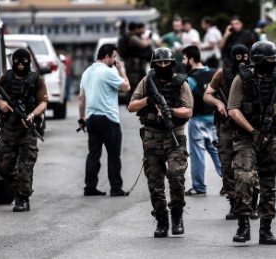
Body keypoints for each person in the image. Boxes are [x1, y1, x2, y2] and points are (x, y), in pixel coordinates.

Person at [228, 41, 276, 244]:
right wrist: (252, 131)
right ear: (259, 60)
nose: (274, 62)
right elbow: (233, 109)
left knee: (268, 184)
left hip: (270, 137)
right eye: (270, 59)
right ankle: (243, 225)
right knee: (244, 179)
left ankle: (266, 229)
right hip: (246, 137)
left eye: (274, 59)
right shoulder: (242, 78)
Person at [127, 47, 193, 238]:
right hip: (152, 137)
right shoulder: (147, 81)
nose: (163, 66)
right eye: (159, 63)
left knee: (176, 175)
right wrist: (150, 100)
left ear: (172, 64)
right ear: (154, 65)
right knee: (155, 183)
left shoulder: (181, 82)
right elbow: (132, 106)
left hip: (175, 136)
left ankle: (177, 216)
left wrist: (168, 111)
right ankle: (162, 220)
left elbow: (188, 111)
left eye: (166, 63)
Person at [0, 48, 48, 212]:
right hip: (8, 130)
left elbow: (43, 102)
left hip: (27, 130)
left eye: (24, 61)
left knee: (25, 168)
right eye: (17, 61)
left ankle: (23, 198)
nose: (21, 64)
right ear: (13, 61)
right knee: (4, 168)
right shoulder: (5, 78)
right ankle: (22, 186)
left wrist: (32, 115)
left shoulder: (36, 79)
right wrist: (1, 103)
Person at [203, 44, 259, 220]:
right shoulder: (223, 73)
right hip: (227, 126)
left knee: (251, 166)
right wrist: (219, 104)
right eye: (238, 57)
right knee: (227, 165)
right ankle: (234, 203)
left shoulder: (255, 72)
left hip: (248, 124)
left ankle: (252, 203)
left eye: (245, 57)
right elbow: (208, 94)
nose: (242, 61)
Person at [78, 44, 130, 197]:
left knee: (93, 154)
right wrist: (121, 70)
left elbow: (81, 98)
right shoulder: (107, 72)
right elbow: (126, 87)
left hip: (91, 118)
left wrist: (81, 118)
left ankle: (90, 187)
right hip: (108, 118)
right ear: (107, 57)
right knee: (114, 155)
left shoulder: (87, 72)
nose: (115, 61)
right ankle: (115, 187)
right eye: (114, 57)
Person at [181, 45, 222, 197]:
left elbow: (184, 99)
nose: (183, 61)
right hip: (215, 120)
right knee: (216, 151)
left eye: (185, 58)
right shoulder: (214, 73)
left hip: (197, 120)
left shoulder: (191, 78)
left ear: (191, 59)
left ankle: (199, 187)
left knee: (197, 154)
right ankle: (229, 182)